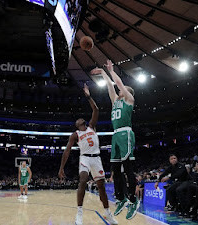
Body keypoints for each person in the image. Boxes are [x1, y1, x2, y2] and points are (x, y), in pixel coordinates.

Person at [58, 83, 118, 225]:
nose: (80, 119)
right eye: (78, 120)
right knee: (83, 181)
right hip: (84, 159)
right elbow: (67, 151)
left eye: (81, 119)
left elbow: (96, 109)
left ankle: (107, 213)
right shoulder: (75, 134)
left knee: (101, 186)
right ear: (77, 125)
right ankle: (79, 213)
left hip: (96, 158)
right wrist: (61, 167)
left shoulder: (91, 126)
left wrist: (89, 97)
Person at [91, 59, 139, 220]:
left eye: (123, 90)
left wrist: (111, 71)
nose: (120, 91)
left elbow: (117, 83)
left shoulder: (129, 100)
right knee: (115, 169)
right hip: (116, 135)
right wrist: (103, 73)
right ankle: (121, 198)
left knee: (128, 168)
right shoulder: (115, 102)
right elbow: (111, 87)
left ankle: (133, 200)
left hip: (125, 133)